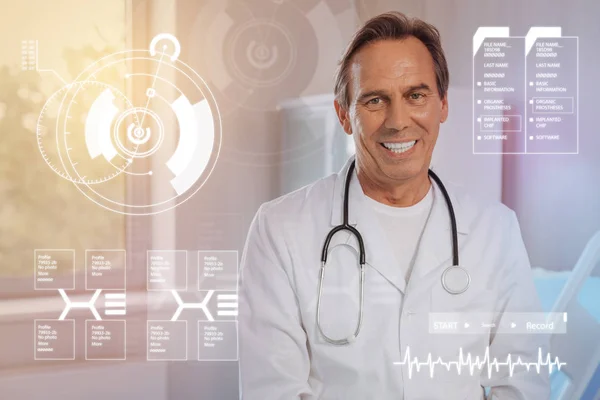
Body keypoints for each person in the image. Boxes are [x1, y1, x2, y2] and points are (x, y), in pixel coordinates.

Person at [238, 11, 550, 400]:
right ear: (344, 115)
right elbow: (272, 390)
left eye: (416, 95)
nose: (398, 121)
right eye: (375, 100)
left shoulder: (495, 229)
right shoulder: (280, 229)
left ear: (443, 106)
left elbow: (523, 384)